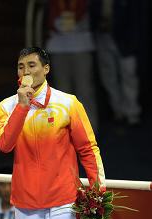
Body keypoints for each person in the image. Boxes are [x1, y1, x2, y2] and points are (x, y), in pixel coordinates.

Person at [0, 47, 105, 219]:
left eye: (32, 65)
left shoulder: (68, 103)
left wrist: (98, 190)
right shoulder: (7, 106)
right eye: (21, 67)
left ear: (46, 69)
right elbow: (4, 145)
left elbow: (88, 149)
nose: (26, 71)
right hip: (26, 204)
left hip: (64, 202)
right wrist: (22, 106)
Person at [45, 0, 99, 131]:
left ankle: (88, 129)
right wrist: (53, 23)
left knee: (84, 89)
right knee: (62, 91)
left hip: (82, 45)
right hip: (58, 46)